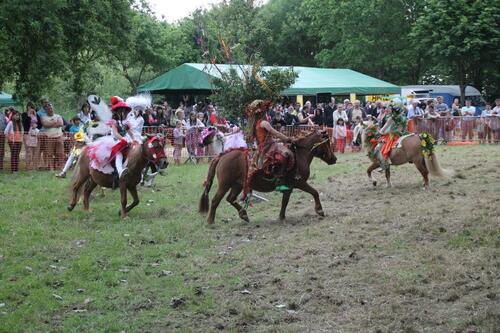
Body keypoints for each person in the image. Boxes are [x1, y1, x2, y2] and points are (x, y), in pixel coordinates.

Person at [246, 100, 294, 192]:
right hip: (269, 147)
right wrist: (287, 139)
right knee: (285, 155)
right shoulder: (264, 123)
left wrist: (280, 140)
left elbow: (267, 138)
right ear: (263, 112)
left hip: (264, 146)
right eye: (266, 111)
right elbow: (275, 132)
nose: (267, 113)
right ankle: (280, 183)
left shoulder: (256, 124)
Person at [373, 104, 407, 170]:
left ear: (392, 110)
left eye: (388, 108)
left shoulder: (391, 118)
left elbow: (384, 129)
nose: (386, 109)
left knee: (382, 147)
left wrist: (378, 133)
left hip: (392, 135)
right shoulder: (402, 117)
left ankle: (384, 163)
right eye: (386, 108)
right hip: (401, 134)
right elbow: (403, 128)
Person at [41, 103, 64, 170]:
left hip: (59, 136)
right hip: (49, 137)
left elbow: (61, 123)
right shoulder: (43, 117)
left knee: (60, 153)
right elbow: (45, 124)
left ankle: (61, 167)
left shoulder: (58, 116)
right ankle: (51, 168)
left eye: (50, 106)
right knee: (49, 153)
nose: (49, 107)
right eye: (47, 107)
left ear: (53, 107)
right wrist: (55, 122)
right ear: (45, 109)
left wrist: (50, 123)